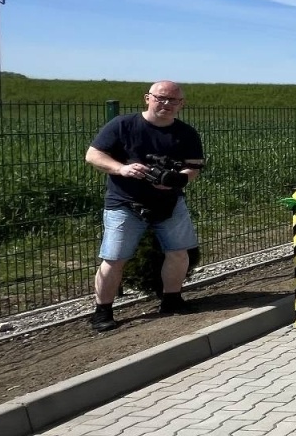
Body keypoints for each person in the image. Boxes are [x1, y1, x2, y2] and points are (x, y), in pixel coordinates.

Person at [84, 80, 206, 332]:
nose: (166, 104)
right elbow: (93, 155)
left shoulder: (186, 133)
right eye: (161, 98)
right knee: (114, 258)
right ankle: (102, 311)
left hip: (170, 202)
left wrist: (177, 179)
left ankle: (171, 300)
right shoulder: (122, 125)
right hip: (124, 202)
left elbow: (193, 167)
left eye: (173, 100)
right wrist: (123, 169)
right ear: (147, 98)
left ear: (181, 104)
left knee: (179, 252)